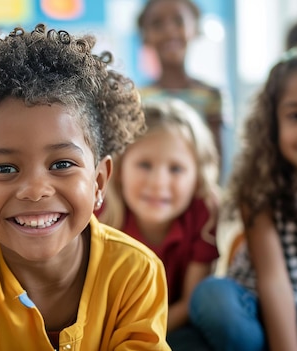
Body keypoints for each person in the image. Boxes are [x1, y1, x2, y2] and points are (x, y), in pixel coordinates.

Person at [0, 24, 170, 350]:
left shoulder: (135, 271)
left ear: (99, 180)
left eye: (61, 164)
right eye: (4, 168)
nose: (35, 190)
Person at [188, 41, 297, 351]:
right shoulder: (261, 187)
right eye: (296, 116)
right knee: (213, 299)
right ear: (273, 124)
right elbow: (273, 282)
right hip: (260, 315)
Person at [98, 98, 219, 351]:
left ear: (197, 178)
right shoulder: (101, 213)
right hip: (107, 328)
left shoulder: (203, 213)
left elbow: (189, 303)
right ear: (119, 170)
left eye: (176, 169)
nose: (158, 183)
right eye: (144, 165)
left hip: (170, 326)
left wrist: (136, 338)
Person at [137, 0, 229, 160]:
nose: (169, 31)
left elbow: (216, 159)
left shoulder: (211, 95)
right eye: (157, 24)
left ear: (195, 29)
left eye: (178, 21)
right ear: (145, 35)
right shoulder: (135, 98)